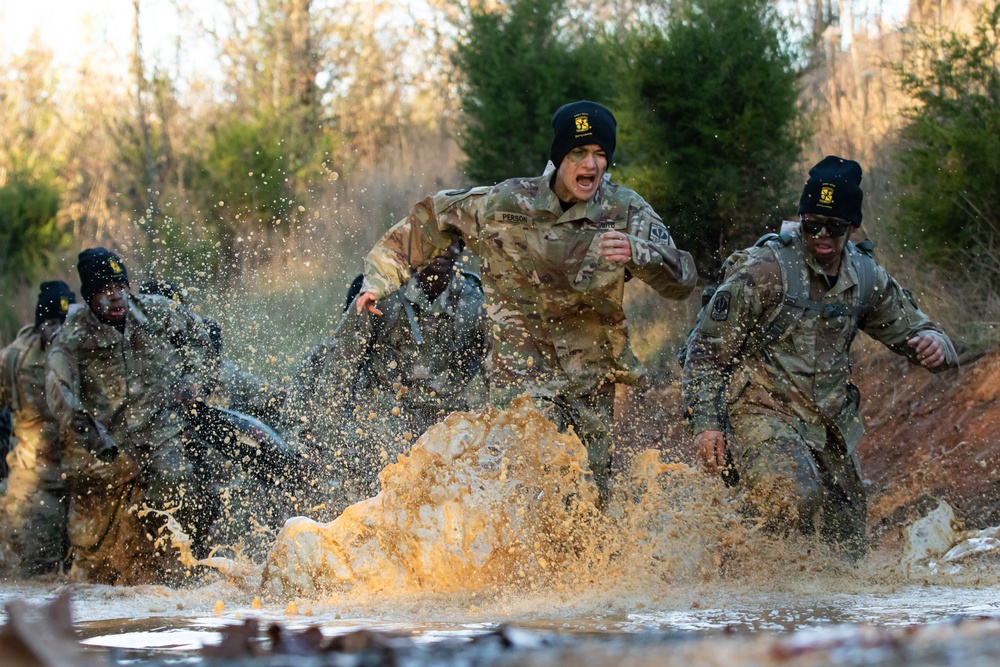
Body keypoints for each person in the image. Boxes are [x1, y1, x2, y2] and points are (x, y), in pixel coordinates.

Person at [355, 101, 698, 499]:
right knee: (541, 487)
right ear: (558, 156)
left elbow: (683, 282)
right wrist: (377, 281)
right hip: (520, 381)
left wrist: (641, 252)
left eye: (600, 155)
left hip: (590, 382)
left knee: (591, 501)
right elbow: (426, 224)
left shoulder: (625, 210)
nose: (591, 165)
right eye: (578, 153)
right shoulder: (505, 203)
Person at [682, 156, 959, 558]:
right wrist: (707, 425)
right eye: (812, 224)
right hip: (762, 411)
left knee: (846, 550)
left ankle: (803, 601)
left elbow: (914, 329)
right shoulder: (765, 271)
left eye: (835, 226)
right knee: (795, 493)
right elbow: (704, 350)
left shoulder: (865, 278)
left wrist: (935, 344)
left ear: (853, 227)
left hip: (829, 424)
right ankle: (729, 552)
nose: (822, 235)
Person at [46, 248, 218, 583]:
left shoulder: (156, 312)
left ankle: (180, 579)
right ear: (90, 296)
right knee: (96, 567)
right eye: (105, 289)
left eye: (120, 285)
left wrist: (193, 382)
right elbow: (61, 397)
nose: (116, 296)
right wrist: (97, 441)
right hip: (103, 456)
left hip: (158, 439)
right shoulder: (71, 338)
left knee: (179, 497)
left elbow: (204, 339)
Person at [288, 240, 488, 499]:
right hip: (385, 413)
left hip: (448, 414)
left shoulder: (474, 301)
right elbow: (340, 368)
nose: (441, 250)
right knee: (380, 490)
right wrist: (322, 443)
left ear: (460, 250)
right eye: (431, 242)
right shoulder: (384, 292)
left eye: (450, 244)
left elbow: (500, 368)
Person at [0, 281, 76, 576]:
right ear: (39, 324)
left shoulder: (85, 353)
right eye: (52, 323)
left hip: (82, 482)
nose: (58, 332)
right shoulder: (13, 359)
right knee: (35, 576)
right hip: (34, 483)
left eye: (65, 324)